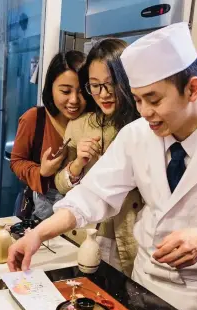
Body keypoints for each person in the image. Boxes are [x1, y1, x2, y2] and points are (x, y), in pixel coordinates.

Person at [7, 22, 197, 310]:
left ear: (193, 88)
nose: (144, 112)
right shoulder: (136, 136)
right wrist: (38, 233)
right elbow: (93, 195)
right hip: (140, 284)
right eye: (138, 99)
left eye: (154, 99)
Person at [54, 38, 141, 276]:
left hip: (131, 237)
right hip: (86, 232)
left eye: (110, 84)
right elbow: (60, 184)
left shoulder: (144, 127)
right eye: (94, 85)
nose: (103, 94)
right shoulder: (80, 125)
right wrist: (78, 164)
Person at [10, 51, 86, 220]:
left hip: (82, 214)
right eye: (65, 91)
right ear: (51, 88)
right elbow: (16, 162)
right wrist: (41, 171)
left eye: (81, 92)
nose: (74, 100)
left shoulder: (92, 122)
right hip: (40, 213)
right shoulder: (34, 118)